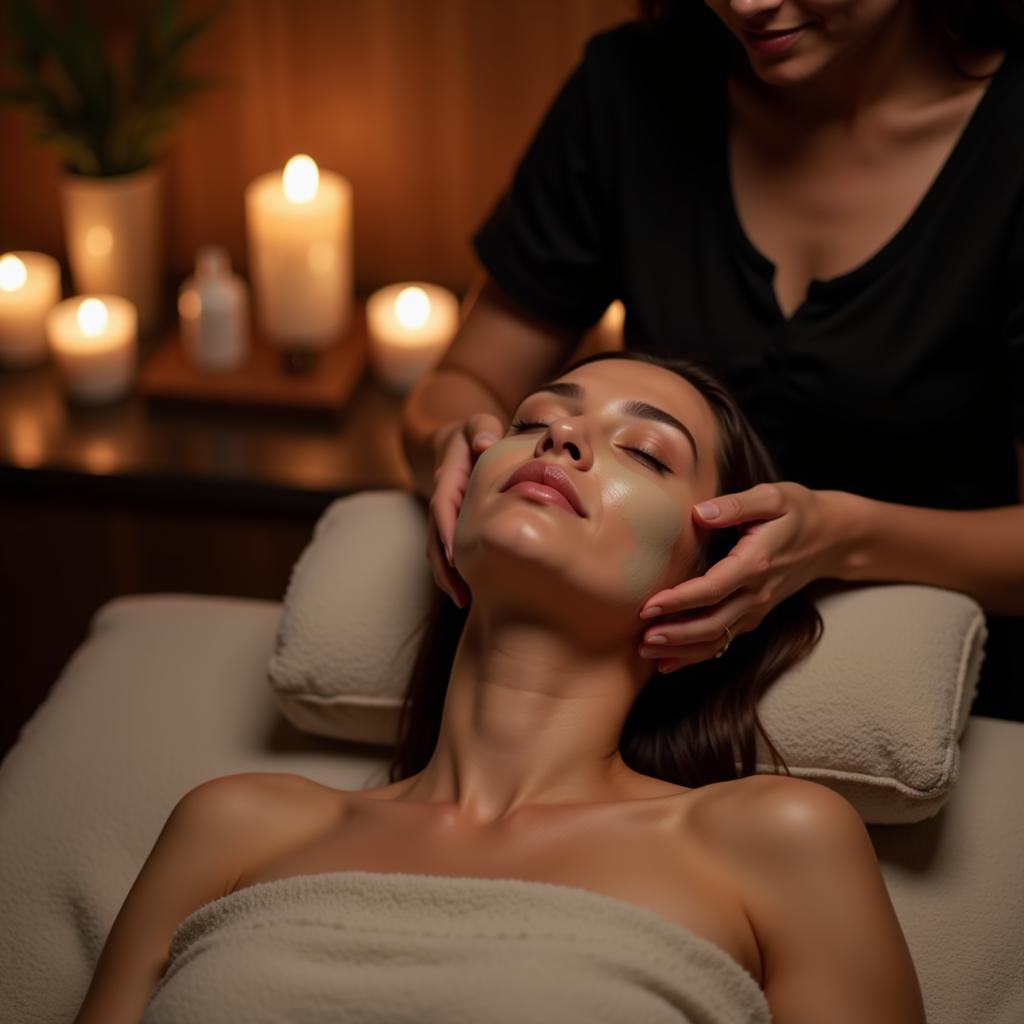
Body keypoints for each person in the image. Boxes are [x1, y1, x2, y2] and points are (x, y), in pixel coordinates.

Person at [73, 352, 926, 1022]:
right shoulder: (234, 827)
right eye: (532, 423)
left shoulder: (775, 842)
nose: (561, 441)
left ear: (721, 577)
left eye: (644, 451)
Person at [402, 0, 1024, 720]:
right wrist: (450, 447)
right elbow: (462, 385)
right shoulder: (632, 89)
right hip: (653, 697)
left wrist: (842, 538)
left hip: (947, 696)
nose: (747, 3)